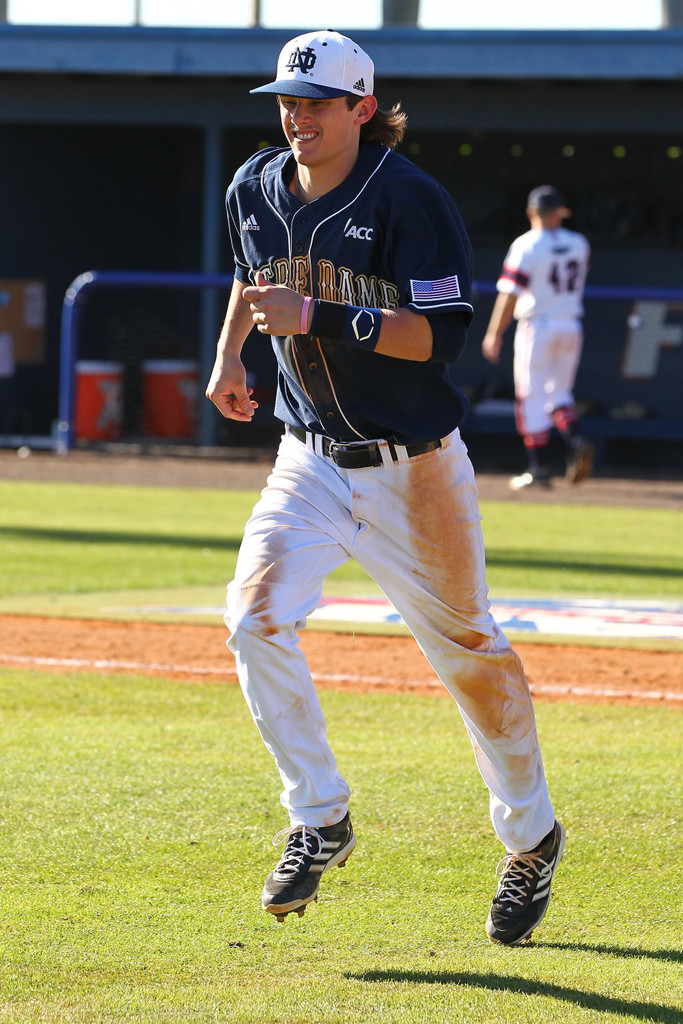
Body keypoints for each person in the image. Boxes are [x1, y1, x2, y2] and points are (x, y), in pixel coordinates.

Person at [206, 29, 564, 946]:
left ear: (363, 109)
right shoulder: (253, 184)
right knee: (252, 617)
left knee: (471, 658)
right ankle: (319, 817)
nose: (297, 117)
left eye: (318, 102)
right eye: (287, 99)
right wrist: (230, 360)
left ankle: (530, 840)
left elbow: (437, 334)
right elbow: (252, 285)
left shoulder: (409, 197)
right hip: (310, 456)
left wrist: (319, 313)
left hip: (415, 469)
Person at [482, 185, 594, 490]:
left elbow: (509, 294)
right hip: (570, 323)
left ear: (532, 212)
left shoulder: (527, 245)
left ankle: (539, 468)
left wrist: (494, 333)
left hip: (538, 325)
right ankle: (577, 439)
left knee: (530, 397)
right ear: (559, 213)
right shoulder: (579, 243)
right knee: (559, 395)